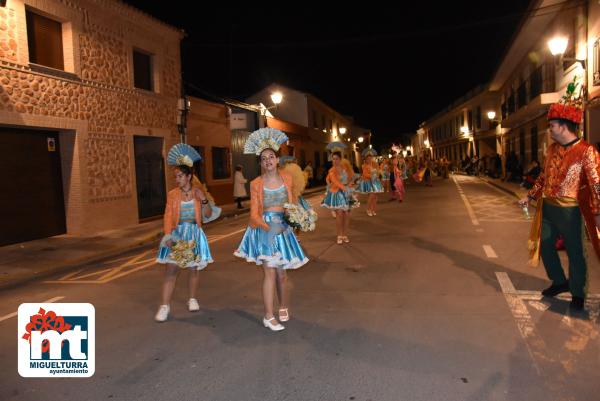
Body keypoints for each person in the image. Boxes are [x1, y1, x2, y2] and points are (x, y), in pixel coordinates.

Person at [519, 79, 600, 311]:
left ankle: (577, 293)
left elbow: (597, 185)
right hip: (549, 207)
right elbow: (544, 176)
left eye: (552, 125)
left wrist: (597, 213)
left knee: (575, 252)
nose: (549, 129)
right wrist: (531, 196)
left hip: (572, 210)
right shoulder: (553, 149)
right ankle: (559, 281)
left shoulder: (587, 151)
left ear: (564, 126)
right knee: (545, 246)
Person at [234, 128, 309, 331]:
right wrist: (269, 228)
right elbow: (253, 215)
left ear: (277, 160)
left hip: (283, 228)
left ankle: (283, 305)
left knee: (282, 275)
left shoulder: (287, 178)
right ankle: (268, 316)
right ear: (260, 163)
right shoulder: (256, 184)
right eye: (263, 158)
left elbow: (292, 205)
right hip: (264, 229)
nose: (267, 161)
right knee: (269, 273)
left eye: (271, 157)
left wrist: (295, 221)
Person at [155, 144, 214, 322]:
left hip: (194, 234)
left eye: (180, 176)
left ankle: (192, 298)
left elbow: (209, 215)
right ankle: (164, 306)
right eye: (176, 176)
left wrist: (203, 199)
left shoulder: (199, 192)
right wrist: (168, 235)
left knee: (193, 268)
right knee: (171, 270)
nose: (177, 179)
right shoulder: (172, 195)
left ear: (189, 176)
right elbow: (167, 216)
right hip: (177, 233)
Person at [321, 142, 358, 244]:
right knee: (340, 214)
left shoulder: (346, 168)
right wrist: (345, 188)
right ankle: (339, 235)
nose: (335, 161)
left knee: (346, 214)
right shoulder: (331, 170)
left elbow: (352, 178)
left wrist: (350, 184)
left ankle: (345, 234)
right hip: (338, 193)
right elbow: (335, 182)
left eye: (337, 159)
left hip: (347, 193)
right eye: (333, 159)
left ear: (340, 159)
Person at [356, 148, 383, 216]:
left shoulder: (374, 165)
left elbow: (378, 171)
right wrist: (372, 175)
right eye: (368, 159)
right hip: (368, 182)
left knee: (375, 197)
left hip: (375, 182)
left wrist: (377, 174)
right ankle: (368, 209)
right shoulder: (364, 166)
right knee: (371, 196)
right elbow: (365, 174)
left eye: (371, 158)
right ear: (365, 159)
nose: (369, 160)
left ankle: (373, 210)